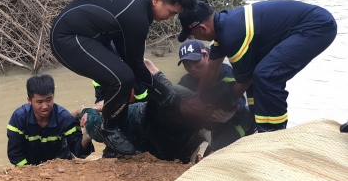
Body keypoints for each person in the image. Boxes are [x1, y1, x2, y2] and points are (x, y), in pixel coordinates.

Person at [50, 0, 196, 156]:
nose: (171, 18)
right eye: (171, 12)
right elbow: (135, 65)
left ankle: (117, 133)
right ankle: (108, 127)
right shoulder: (138, 15)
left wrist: (156, 87)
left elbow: (128, 56)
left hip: (90, 35)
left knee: (122, 77)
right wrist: (161, 89)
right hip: (68, 38)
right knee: (123, 79)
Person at [177, 0, 337, 132]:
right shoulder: (223, 29)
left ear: (202, 28)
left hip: (317, 26)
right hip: (299, 28)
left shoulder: (233, 36)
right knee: (259, 78)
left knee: (266, 75)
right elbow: (212, 67)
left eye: (193, 34)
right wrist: (198, 99)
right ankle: (259, 125)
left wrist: (222, 105)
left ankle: (273, 132)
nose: (195, 37)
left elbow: (243, 82)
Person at [74, 60, 238, 163]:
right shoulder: (172, 95)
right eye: (215, 117)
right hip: (135, 121)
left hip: (163, 140)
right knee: (97, 128)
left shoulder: (206, 113)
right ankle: (83, 111)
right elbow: (147, 67)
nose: (214, 122)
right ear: (208, 109)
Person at [177, 40, 255, 154]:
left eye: (196, 61)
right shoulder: (185, 82)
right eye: (187, 64)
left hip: (232, 121)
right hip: (204, 126)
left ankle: (220, 149)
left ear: (207, 56)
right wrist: (204, 133)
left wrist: (231, 114)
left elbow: (240, 103)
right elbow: (180, 113)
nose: (192, 68)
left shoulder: (228, 74)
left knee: (247, 114)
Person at [7, 75, 94, 166]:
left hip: (60, 167)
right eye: (39, 102)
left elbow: (80, 154)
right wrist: (31, 172)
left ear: (53, 96)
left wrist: (86, 138)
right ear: (29, 100)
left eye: (49, 100)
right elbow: (15, 154)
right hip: (29, 167)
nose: (45, 106)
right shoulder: (19, 118)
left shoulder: (64, 118)